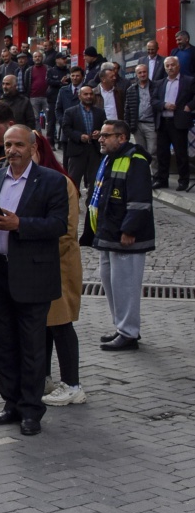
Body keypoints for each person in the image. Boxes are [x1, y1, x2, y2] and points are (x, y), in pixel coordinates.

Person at [0, 125, 67, 436]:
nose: (12, 150)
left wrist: (19, 224)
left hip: (31, 275)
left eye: (18, 145)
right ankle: (10, 403)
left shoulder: (51, 180)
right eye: (8, 144)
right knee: (3, 344)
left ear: (32, 146)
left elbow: (58, 225)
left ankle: (31, 409)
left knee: (32, 346)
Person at [81, 118, 155, 351]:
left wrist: (129, 230)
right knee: (111, 283)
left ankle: (128, 333)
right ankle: (122, 326)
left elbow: (140, 200)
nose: (100, 139)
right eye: (101, 135)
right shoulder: (109, 158)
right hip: (108, 233)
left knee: (125, 286)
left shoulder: (136, 161)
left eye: (106, 135)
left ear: (121, 138)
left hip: (125, 236)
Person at [41, 150, 84, 409]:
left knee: (60, 323)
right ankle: (44, 377)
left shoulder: (61, 183)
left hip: (60, 264)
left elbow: (67, 231)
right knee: (44, 323)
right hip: (41, 265)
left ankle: (72, 384)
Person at [153, 56, 194, 191]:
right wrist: (164, 104)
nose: (170, 68)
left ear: (178, 66)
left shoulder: (188, 81)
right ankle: (162, 179)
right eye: (167, 66)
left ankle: (183, 180)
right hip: (163, 122)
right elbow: (153, 101)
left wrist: (189, 106)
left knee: (180, 153)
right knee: (162, 153)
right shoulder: (160, 83)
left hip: (179, 122)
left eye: (172, 65)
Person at [124, 63, 158, 164]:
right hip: (137, 125)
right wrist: (127, 126)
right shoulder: (131, 89)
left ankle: (155, 176)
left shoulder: (156, 87)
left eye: (144, 72)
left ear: (147, 73)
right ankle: (143, 174)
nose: (142, 74)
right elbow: (127, 109)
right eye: (140, 73)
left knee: (153, 151)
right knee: (140, 152)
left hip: (151, 124)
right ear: (136, 75)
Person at [45, 52, 70, 142]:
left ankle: (62, 141)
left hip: (65, 99)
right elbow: (48, 81)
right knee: (51, 121)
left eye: (65, 59)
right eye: (63, 59)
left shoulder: (67, 71)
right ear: (57, 60)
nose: (65, 61)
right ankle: (50, 142)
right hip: (53, 99)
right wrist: (59, 82)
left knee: (64, 120)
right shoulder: (51, 70)